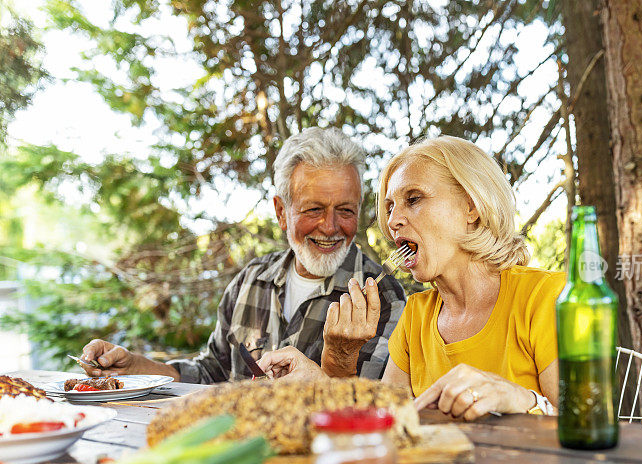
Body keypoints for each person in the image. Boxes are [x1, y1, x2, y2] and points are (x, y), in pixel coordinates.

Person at [258, 136, 565, 421]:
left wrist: (521, 399)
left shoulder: (547, 297)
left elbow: (586, 427)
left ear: (471, 206)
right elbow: (387, 426)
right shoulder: (416, 317)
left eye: (414, 198)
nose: (392, 221)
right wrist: (322, 380)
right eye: (389, 207)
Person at [80, 127, 406, 383]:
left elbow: (370, 409)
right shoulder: (251, 279)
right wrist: (138, 366)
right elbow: (212, 373)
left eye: (345, 210)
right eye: (314, 209)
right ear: (281, 211)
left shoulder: (384, 297)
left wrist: (337, 360)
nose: (330, 226)